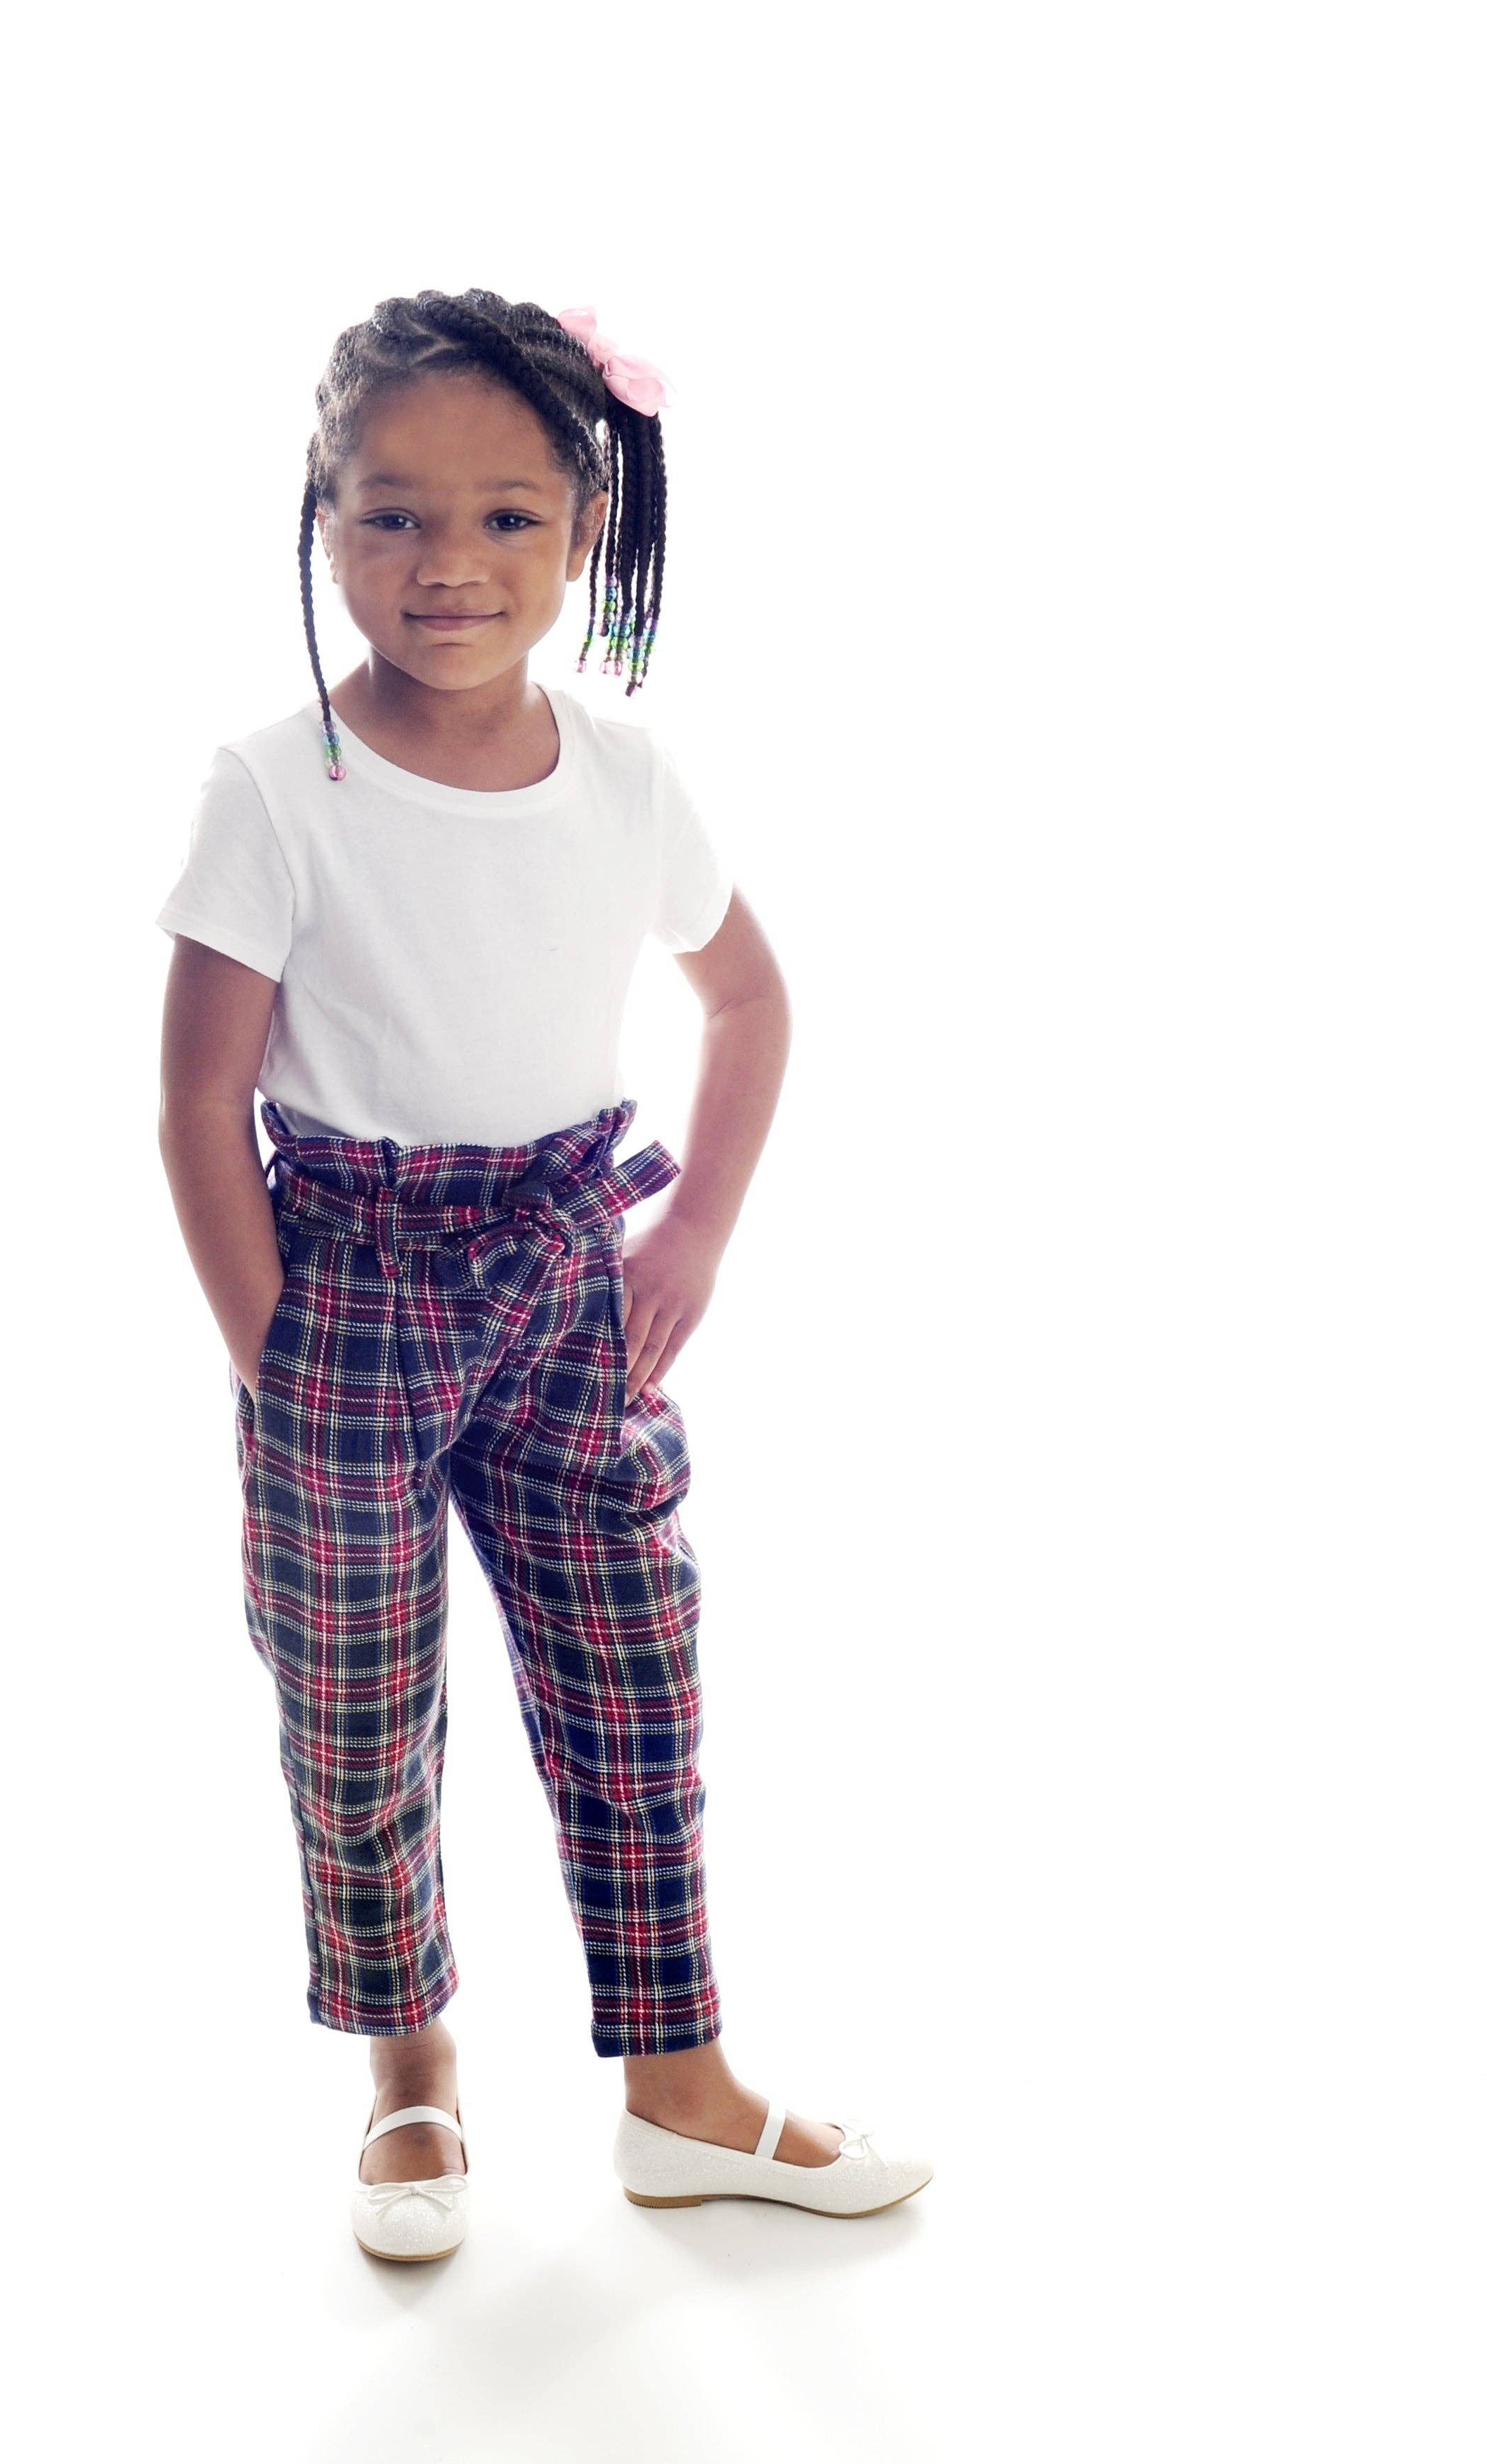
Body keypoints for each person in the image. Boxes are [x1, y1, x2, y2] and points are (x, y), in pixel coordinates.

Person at [155, 288, 933, 2261]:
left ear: (587, 531)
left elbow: (747, 999)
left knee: (630, 1674)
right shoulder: (277, 785)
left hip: (570, 1282)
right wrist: (277, 1354)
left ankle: (683, 2090)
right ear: (322, 518)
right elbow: (198, 1106)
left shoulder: (625, 777)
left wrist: (692, 1232)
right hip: (345, 1285)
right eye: (393, 515)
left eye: (507, 516)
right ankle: (407, 2070)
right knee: (356, 1702)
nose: (450, 564)